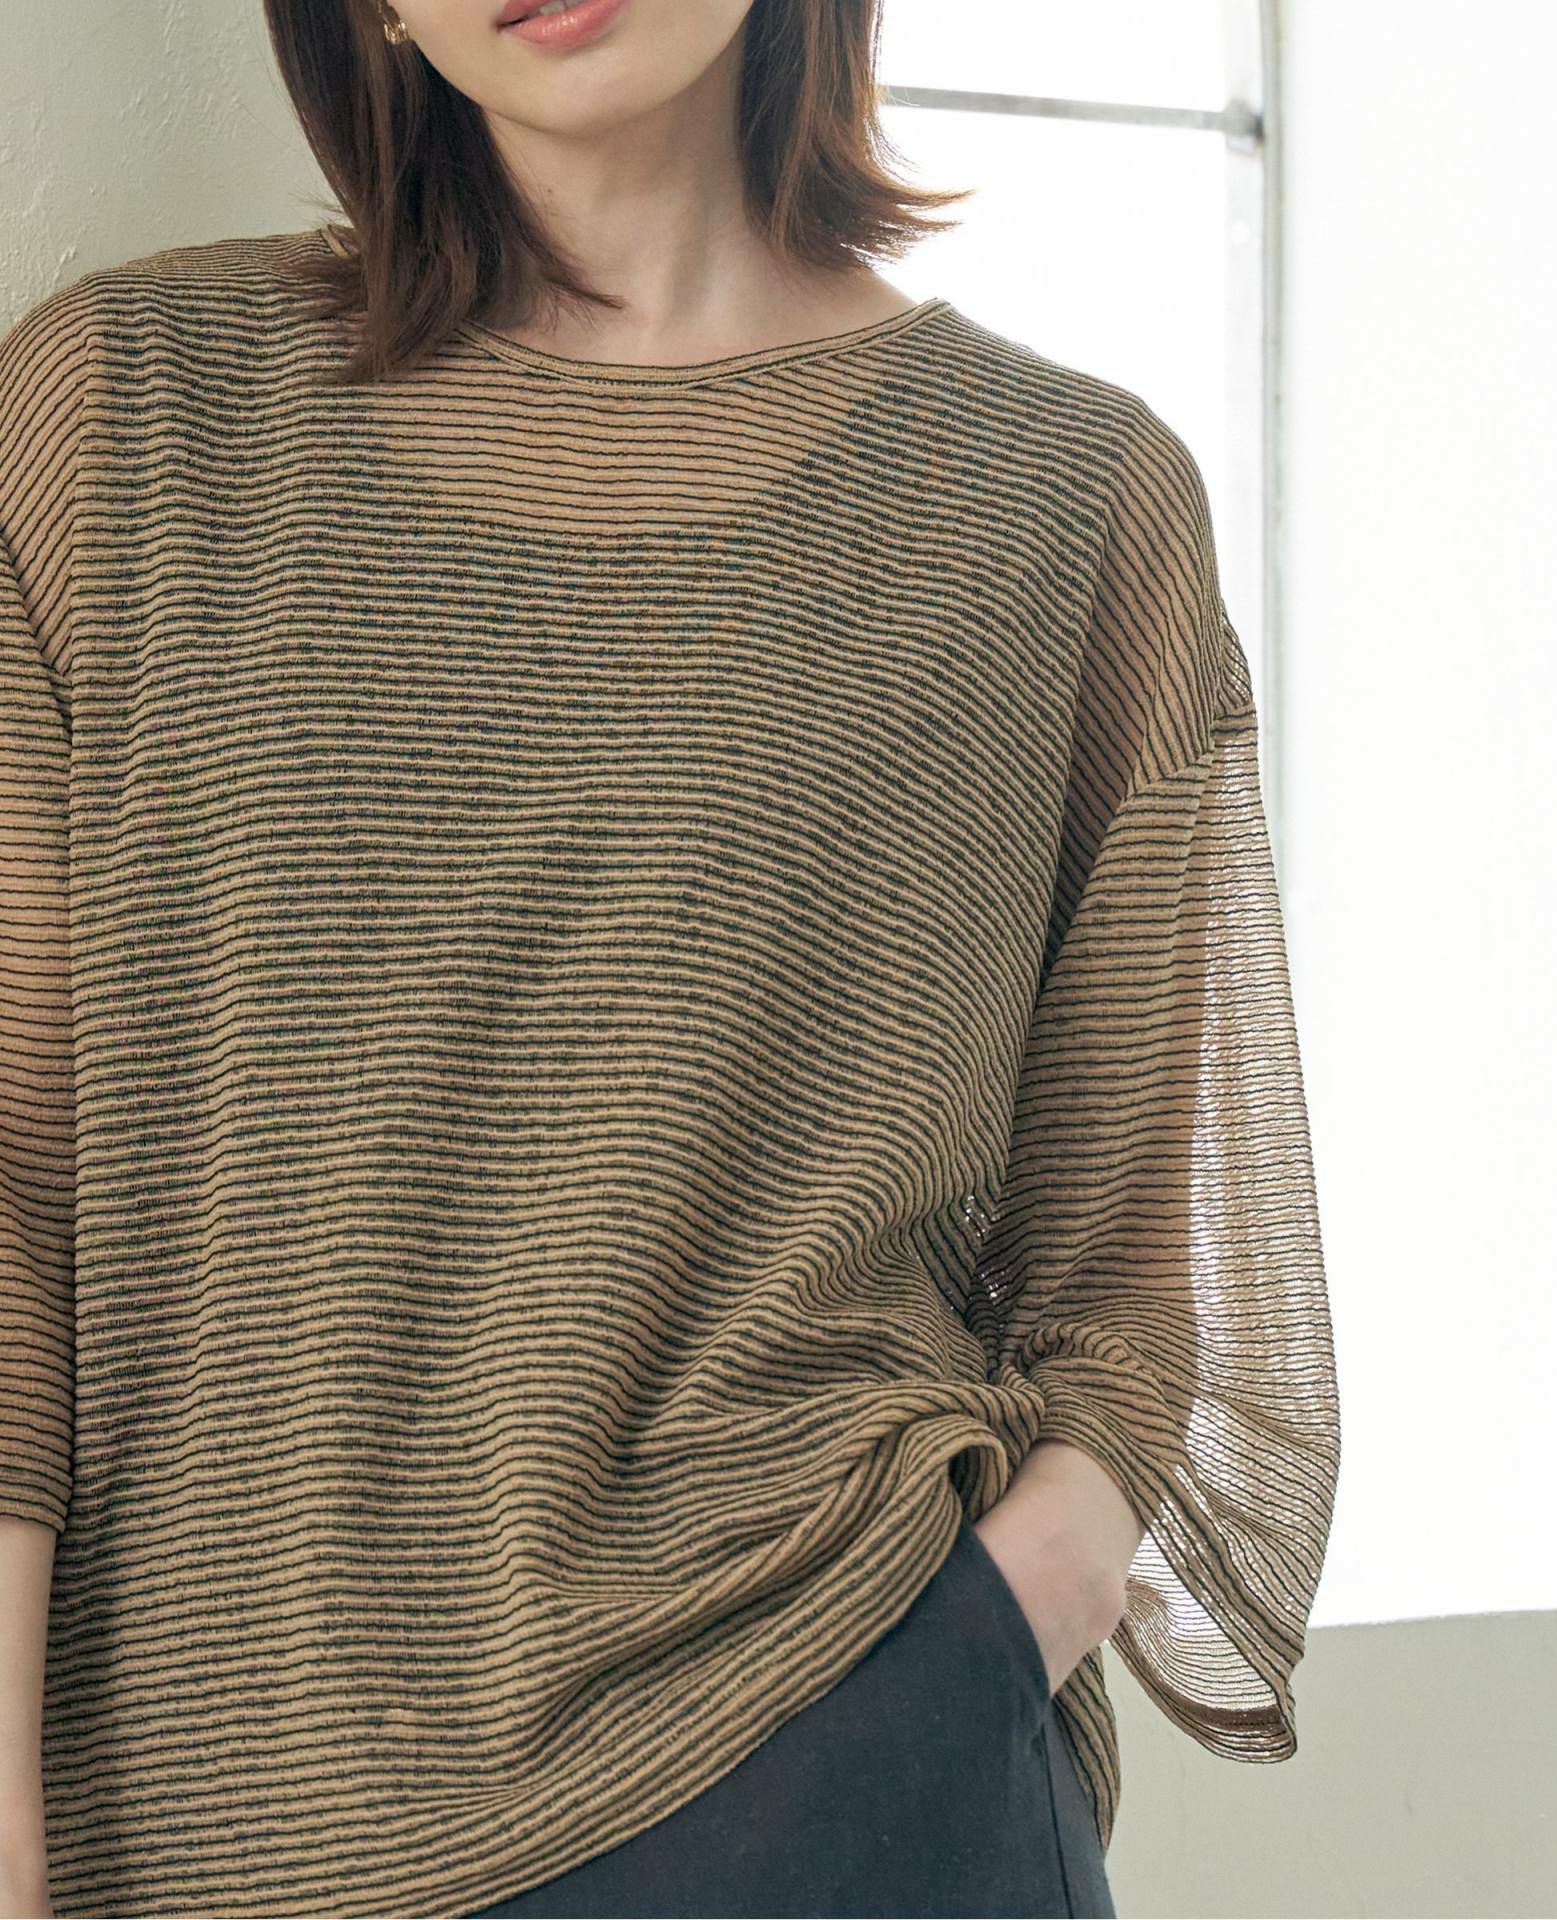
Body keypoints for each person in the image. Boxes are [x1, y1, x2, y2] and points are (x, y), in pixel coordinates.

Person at [0, 0, 1342, 1914]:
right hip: (205, 1828)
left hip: (848, 1771)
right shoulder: (127, 419)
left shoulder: (1064, 496)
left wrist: (981, 1635)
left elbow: (1131, 1272)